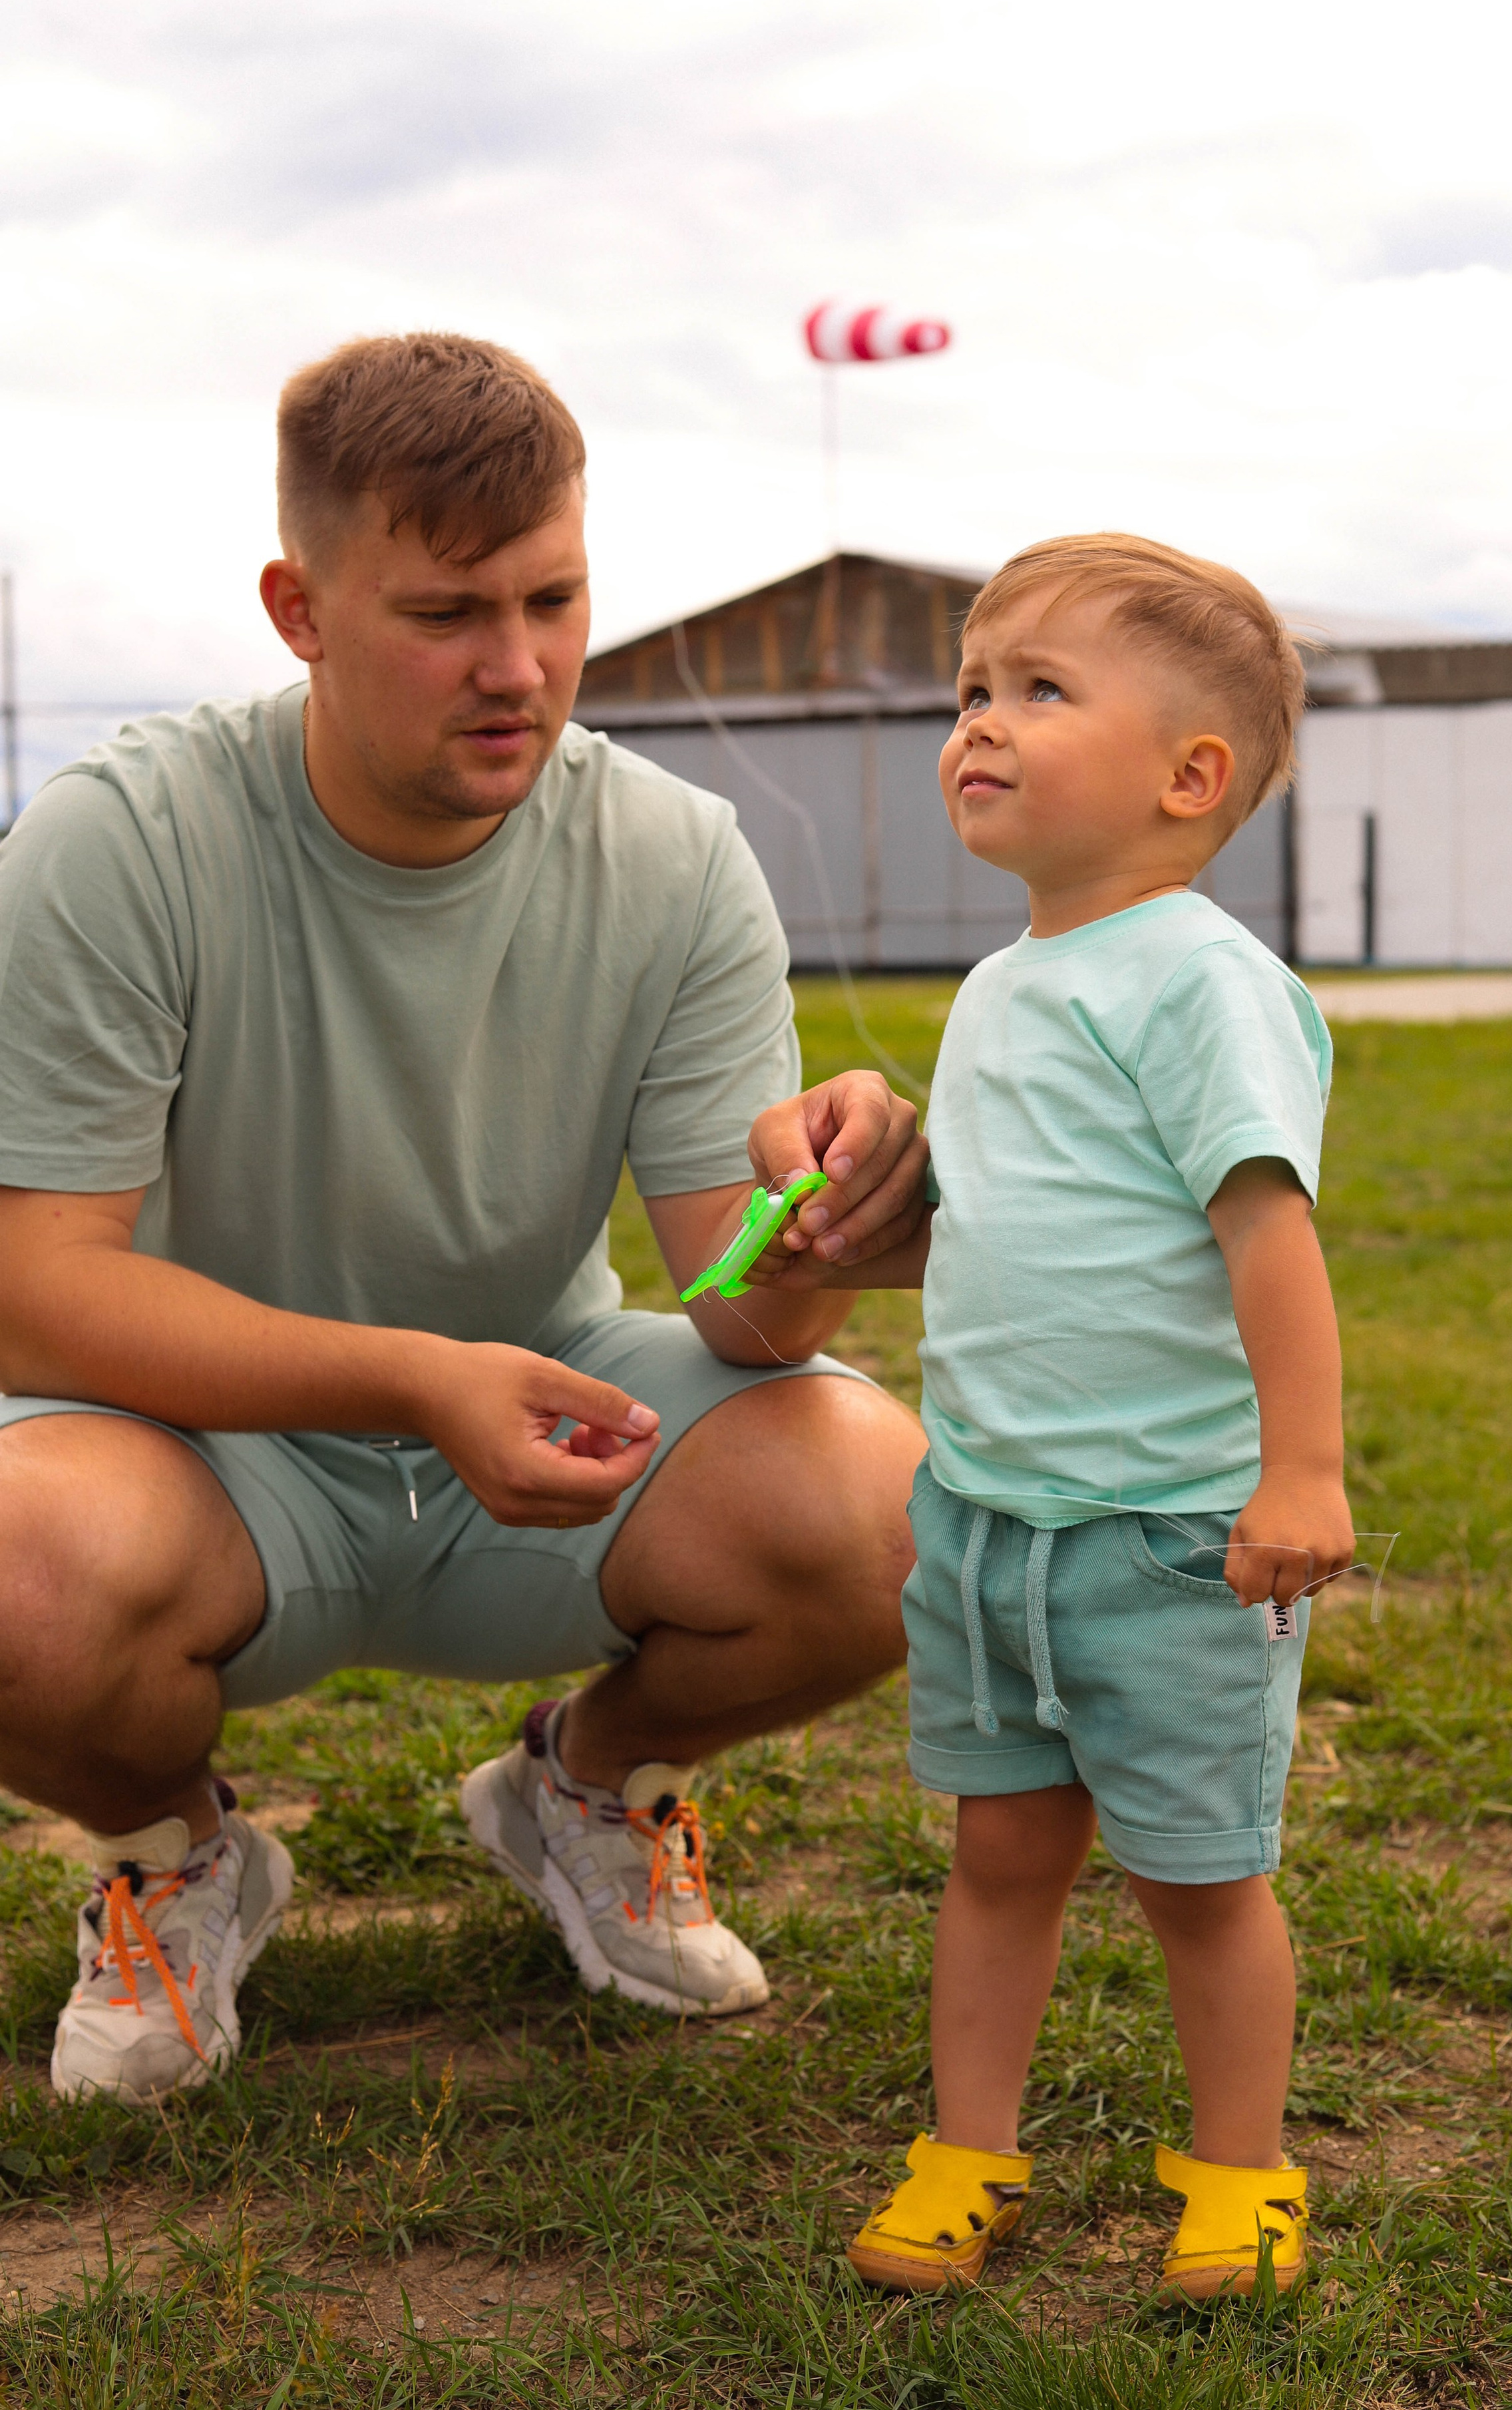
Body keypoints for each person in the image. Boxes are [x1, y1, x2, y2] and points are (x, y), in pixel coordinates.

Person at [0, 331, 928, 2106]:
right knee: (12, 1580)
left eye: (554, 599)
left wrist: (835, 1230)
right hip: (193, 1445)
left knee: (894, 1511)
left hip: (546, 1398)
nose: (519, 669)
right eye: (446, 615)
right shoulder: (118, 839)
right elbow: (36, 1296)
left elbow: (742, 1312)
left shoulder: (673, 856)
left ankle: (591, 1789)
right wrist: (421, 1382)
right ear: (301, 608)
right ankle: (173, 1857)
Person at [745, 532, 1355, 2300]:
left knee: (1198, 1876)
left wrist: (1300, 1472)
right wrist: (887, 1199)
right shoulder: (1012, 981)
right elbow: (1037, 1226)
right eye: (969, 690)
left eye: (1037, 690)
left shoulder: (1199, 979)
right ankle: (966, 2151)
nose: (977, 724)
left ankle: (1241, 2173)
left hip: (1168, 1537)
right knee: (1000, 1849)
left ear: (1191, 777)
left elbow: (1270, 1236)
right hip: (991, 1521)